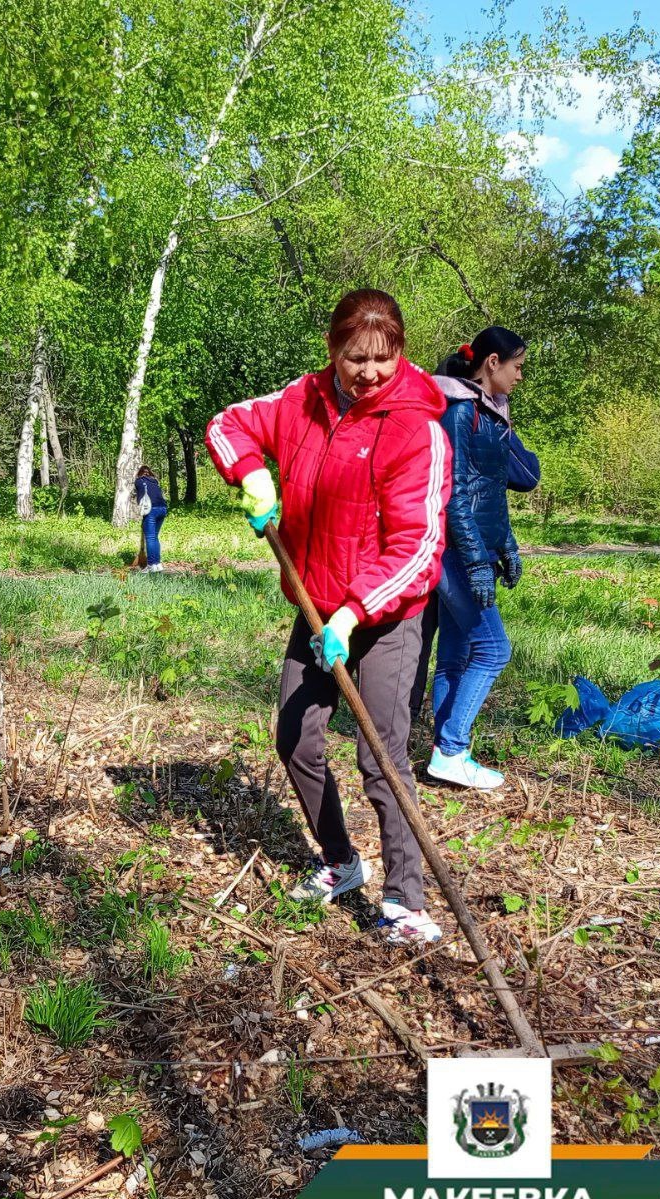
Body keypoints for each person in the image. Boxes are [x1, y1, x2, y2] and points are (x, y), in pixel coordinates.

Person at [205, 289, 452, 946]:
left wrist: (353, 614)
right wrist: (252, 474)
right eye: (355, 357)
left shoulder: (416, 428)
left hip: (385, 615)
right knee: (295, 739)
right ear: (333, 351)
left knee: (382, 756)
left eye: (383, 357)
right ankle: (341, 862)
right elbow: (229, 423)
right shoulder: (302, 401)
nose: (370, 371)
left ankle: (404, 901)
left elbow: (420, 545)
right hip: (316, 609)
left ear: (399, 350)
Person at [425, 327, 533, 790]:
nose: (520, 375)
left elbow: (491, 492)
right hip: (453, 553)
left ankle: (443, 753)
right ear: (492, 362)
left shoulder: (492, 415)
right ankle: (452, 749)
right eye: (517, 365)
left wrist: (505, 543)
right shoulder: (457, 411)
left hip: (477, 549)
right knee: (494, 649)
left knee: (455, 652)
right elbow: (452, 495)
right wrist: (472, 562)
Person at [134, 465, 168, 572]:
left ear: (140, 473)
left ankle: (151, 565)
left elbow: (140, 499)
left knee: (150, 538)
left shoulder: (139, 481)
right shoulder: (155, 482)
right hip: (163, 509)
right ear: (150, 473)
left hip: (151, 510)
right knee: (155, 537)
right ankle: (157, 564)